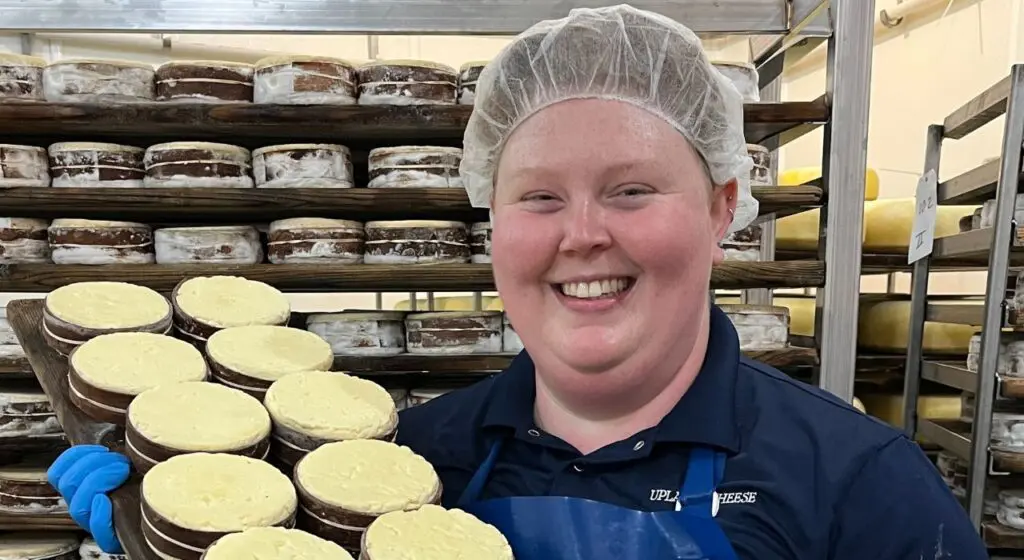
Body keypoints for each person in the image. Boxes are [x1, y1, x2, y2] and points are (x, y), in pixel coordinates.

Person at [48, 5, 988, 559]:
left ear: (721, 208)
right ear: (491, 223)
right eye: (539, 196)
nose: (582, 235)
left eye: (631, 189)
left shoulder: (860, 489)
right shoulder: (399, 461)